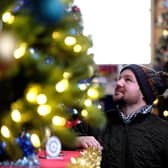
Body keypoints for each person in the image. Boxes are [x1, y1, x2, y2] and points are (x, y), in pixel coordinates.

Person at [75, 64, 168, 168]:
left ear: (144, 92)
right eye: (119, 78)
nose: (118, 83)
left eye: (128, 80)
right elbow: (58, 139)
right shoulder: (98, 121)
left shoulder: (164, 131)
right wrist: (77, 140)